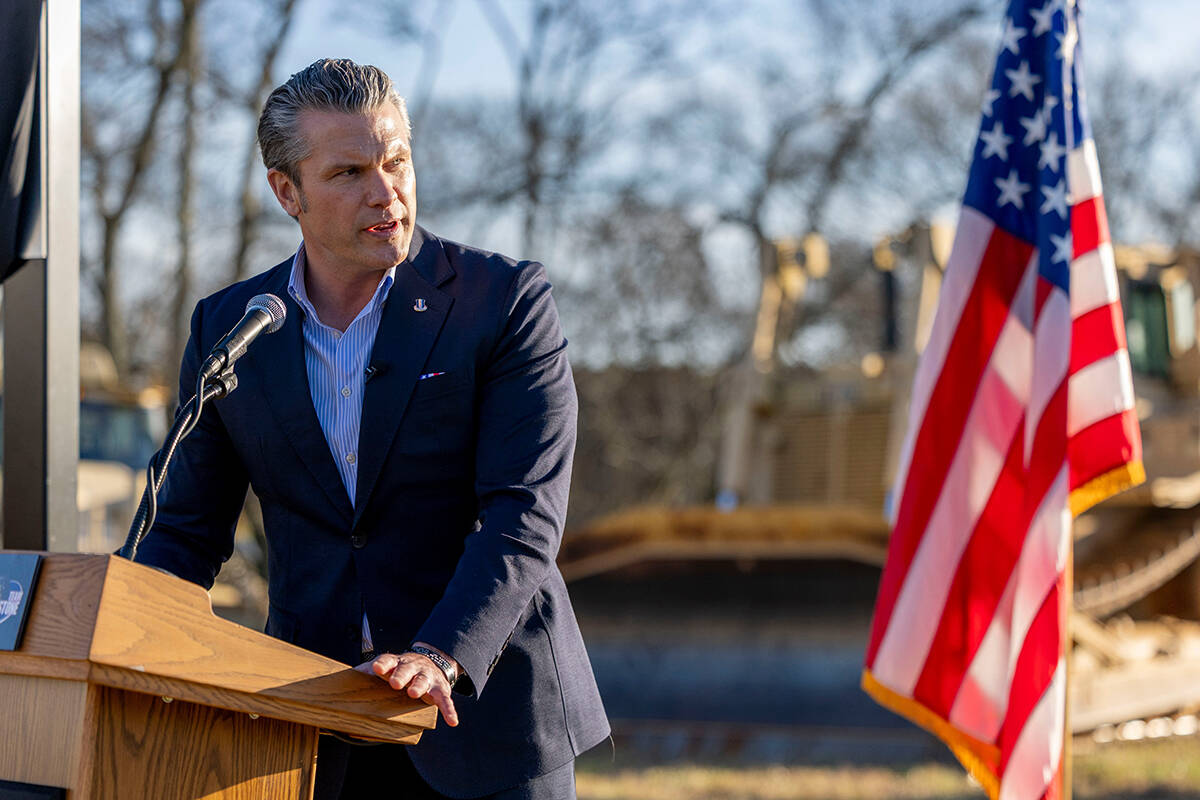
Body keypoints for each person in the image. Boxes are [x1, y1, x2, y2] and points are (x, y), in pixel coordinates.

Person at [134, 58, 609, 799]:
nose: (385, 192)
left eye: (396, 161)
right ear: (286, 192)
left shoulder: (504, 303)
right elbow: (182, 530)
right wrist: (126, 639)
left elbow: (523, 512)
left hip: (484, 721)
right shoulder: (233, 326)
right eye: (349, 171)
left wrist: (440, 653)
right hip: (314, 725)